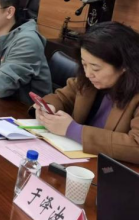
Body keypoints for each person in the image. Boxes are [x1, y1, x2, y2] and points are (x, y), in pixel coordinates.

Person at [37, 22, 139, 164]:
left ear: (123, 66)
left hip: (110, 168)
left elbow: (136, 145)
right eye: (84, 64)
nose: (88, 73)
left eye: (95, 68)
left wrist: (73, 130)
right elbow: (63, 97)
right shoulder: (88, 80)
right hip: (73, 157)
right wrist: (48, 107)